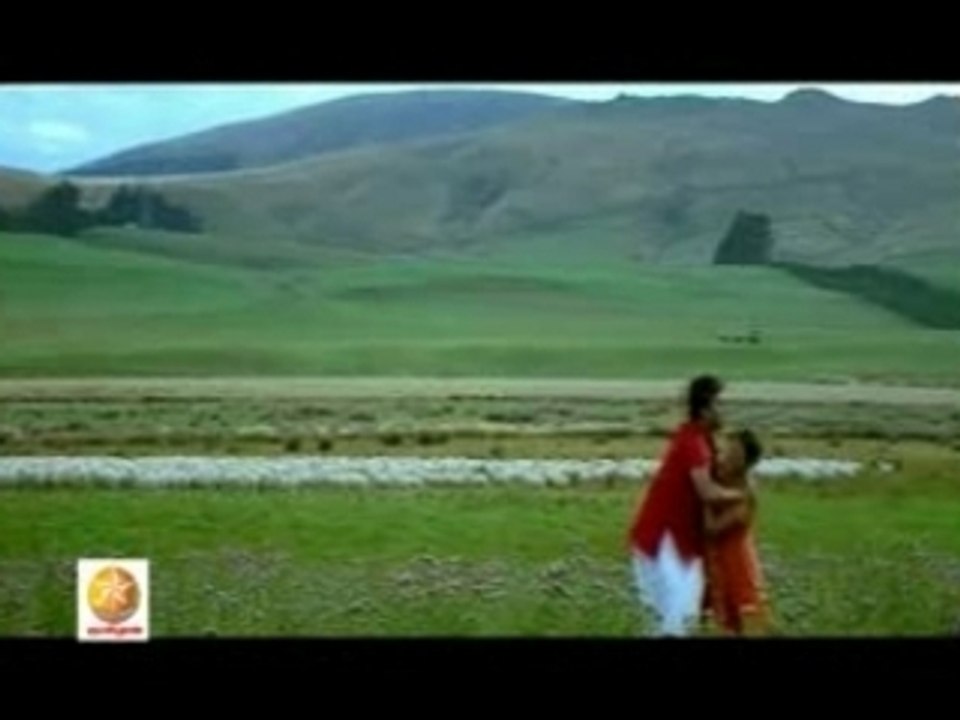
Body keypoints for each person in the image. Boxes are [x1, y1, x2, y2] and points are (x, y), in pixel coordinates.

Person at [626, 375, 746, 637]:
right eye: (721, 404)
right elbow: (708, 492)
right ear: (705, 409)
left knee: (670, 617)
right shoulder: (694, 444)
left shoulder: (694, 440)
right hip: (665, 538)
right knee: (679, 615)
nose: (726, 411)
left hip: (668, 539)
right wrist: (742, 495)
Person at [701, 429, 772, 636]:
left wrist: (705, 497)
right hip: (709, 557)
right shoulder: (718, 477)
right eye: (725, 451)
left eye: (734, 454)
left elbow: (712, 528)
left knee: (735, 619)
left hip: (734, 562)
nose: (725, 459)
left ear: (746, 462)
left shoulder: (745, 494)